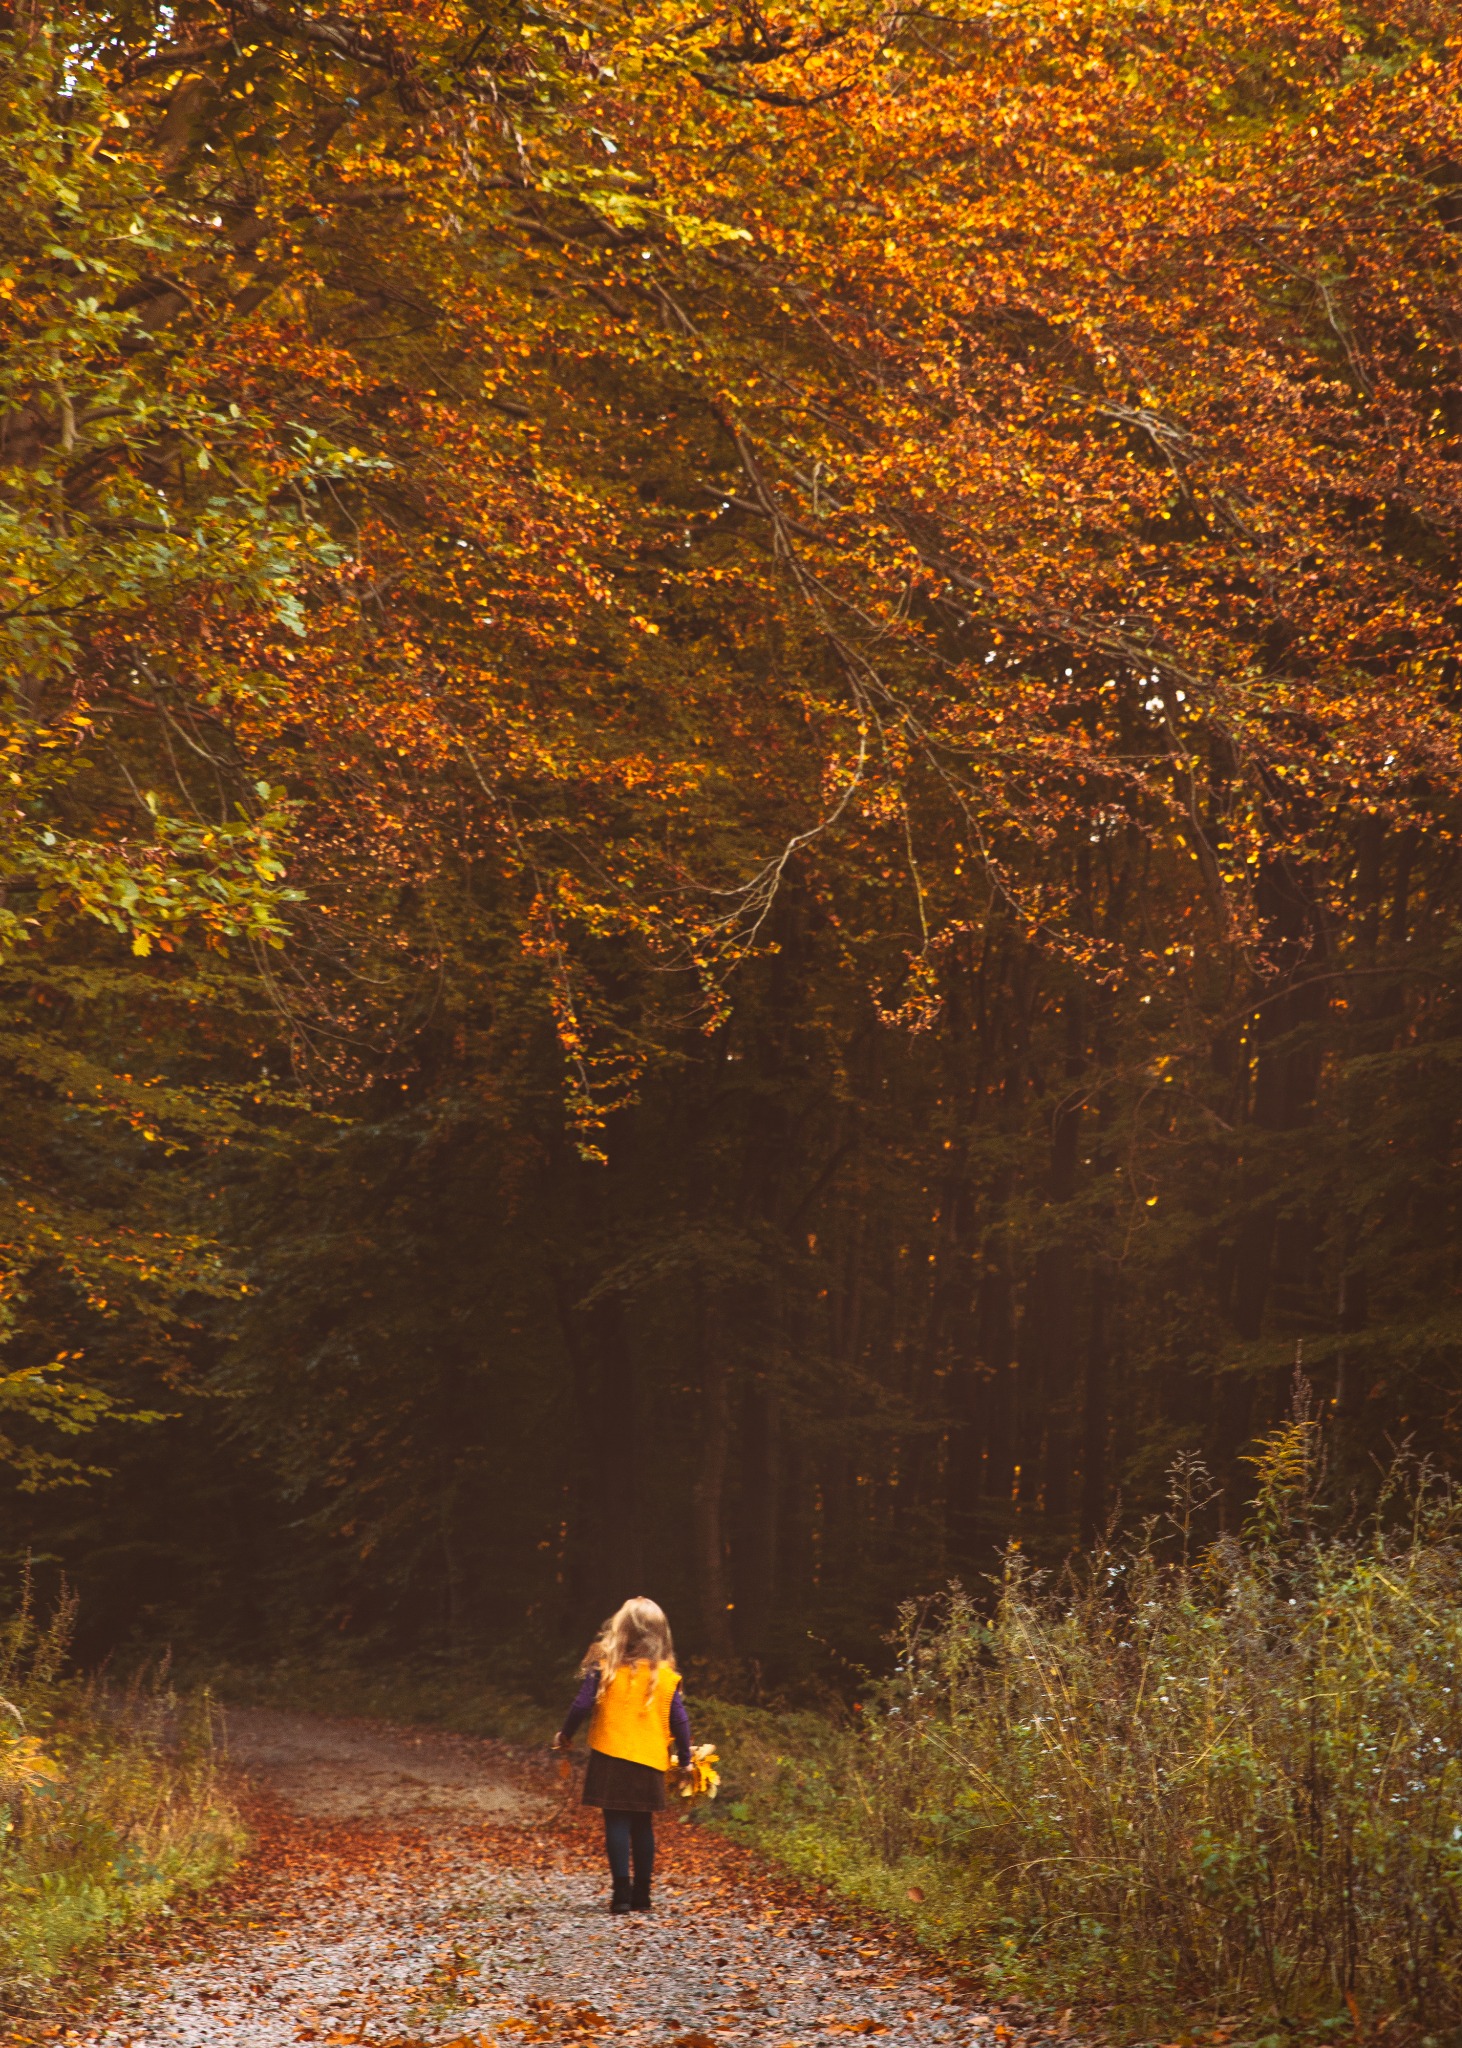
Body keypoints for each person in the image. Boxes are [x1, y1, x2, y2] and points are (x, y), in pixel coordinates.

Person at [553, 1595, 692, 1914]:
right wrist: (685, 1760)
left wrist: (565, 1735)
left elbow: (581, 1706)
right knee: (643, 1826)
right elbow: (680, 1720)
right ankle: (643, 1896)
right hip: (648, 1761)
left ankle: (621, 1896)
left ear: (621, 1629)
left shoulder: (604, 1668)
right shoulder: (666, 1677)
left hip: (610, 1756)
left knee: (615, 1822)